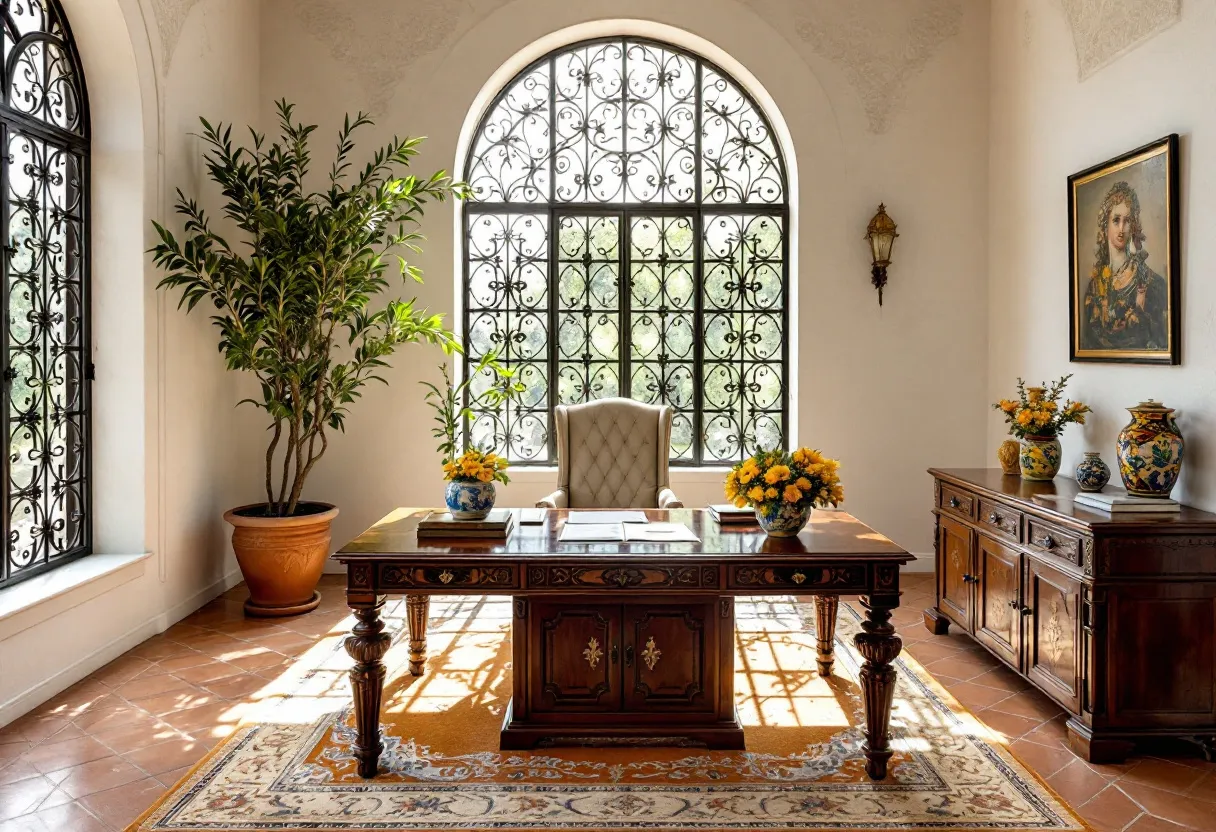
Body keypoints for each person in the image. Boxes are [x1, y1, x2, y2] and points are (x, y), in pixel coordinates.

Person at [1080, 180, 1169, 351]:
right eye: (1116, 220)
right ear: (1105, 225)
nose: (1121, 228)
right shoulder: (1094, 287)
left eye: (1127, 221)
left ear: (1133, 226)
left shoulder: (1151, 282)